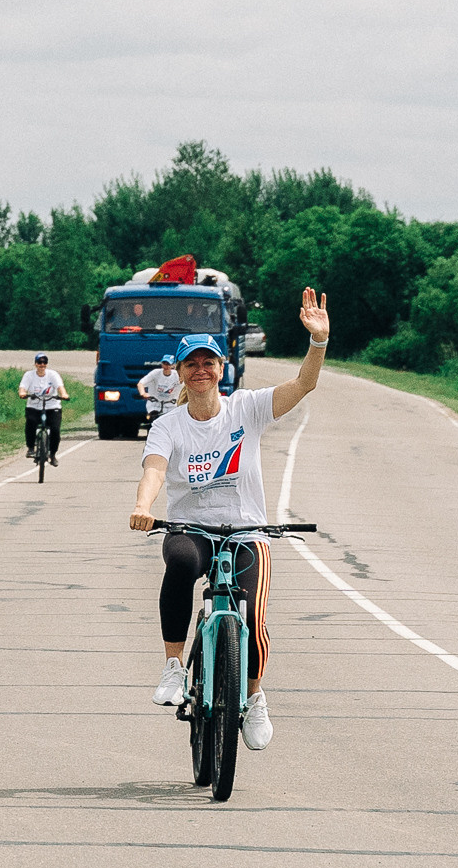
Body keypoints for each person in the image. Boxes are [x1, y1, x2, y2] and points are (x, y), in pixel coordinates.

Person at [128, 290, 330, 752]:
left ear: (223, 369)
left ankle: (254, 696)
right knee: (179, 562)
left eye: (210, 362)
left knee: (253, 616)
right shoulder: (169, 425)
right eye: (191, 363)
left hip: (246, 531)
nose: (201, 370)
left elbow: (303, 385)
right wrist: (143, 506)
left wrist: (317, 342)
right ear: (178, 373)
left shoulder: (247, 408)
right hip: (191, 531)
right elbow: (155, 469)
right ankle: (175, 667)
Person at [18, 354, 68, 463]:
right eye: (39, 362)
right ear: (35, 364)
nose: (42, 365)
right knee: (31, 422)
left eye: (44, 362)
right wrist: (22, 393)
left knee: (55, 429)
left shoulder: (53, 375)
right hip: (34, 406)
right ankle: (31, 448)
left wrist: (64, 394)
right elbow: (23, 387)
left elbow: (60, 387)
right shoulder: (29, 375)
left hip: (52, 406)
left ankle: (53, 454)